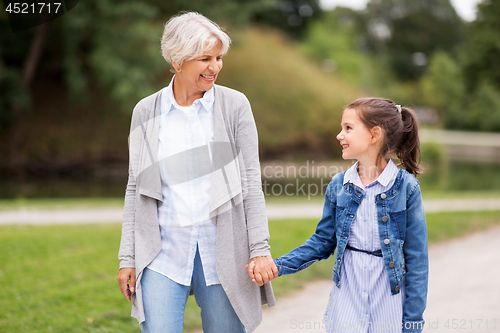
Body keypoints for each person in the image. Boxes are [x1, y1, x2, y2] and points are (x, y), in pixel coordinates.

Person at [117, 11, 278, 333]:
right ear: (177, 60)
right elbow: (136, 187)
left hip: (222, 251)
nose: (215, 67)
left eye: (219, 57)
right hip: (162, 252)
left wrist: (260, 249)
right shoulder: (146, 111)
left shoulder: (235, 106)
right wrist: (128, 258)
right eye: (205, 58)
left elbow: (249, 181)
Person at [248, 98, 428, 333]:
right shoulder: (339, 185)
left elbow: (417, 261)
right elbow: (322, 241)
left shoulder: (407, 188)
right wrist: (278, 266)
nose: (339, 135)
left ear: (374, 135)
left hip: (389, 302)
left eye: (348, 128)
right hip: (347, 300)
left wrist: (413, 322)